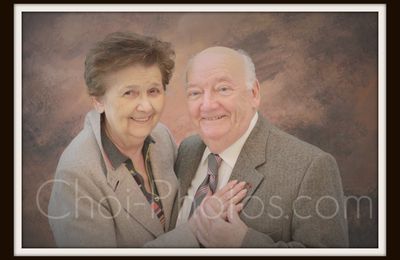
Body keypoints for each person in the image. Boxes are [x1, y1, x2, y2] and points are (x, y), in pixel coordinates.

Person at [47, 33, 247, 247]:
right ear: (98, 101)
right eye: (129, 93)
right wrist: (194, 231)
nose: (146, 106)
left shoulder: (160, 136)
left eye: (153, 91)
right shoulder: (76, 175)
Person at [147, 46, 349, 247]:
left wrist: (245, 244)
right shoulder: (187, 150)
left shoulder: (311, 167)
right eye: (195, 93)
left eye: (223, 89)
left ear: (254, 93)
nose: (207, 104)